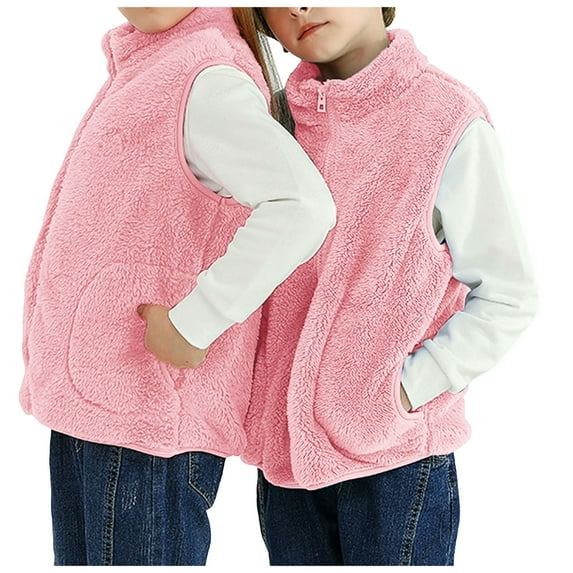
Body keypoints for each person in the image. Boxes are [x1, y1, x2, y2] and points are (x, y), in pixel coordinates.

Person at [19, 7, 336, 566]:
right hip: (97, 408)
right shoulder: (154, 66)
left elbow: (302, 206)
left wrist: (197, 321)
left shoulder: (205, 75)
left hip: (146, 422)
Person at [243, 7, 538, 566]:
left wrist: (403, 391)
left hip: (396, 462)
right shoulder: (271, 123)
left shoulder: (445, 118)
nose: (299, 6)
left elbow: (507, 294)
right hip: (286, 465)